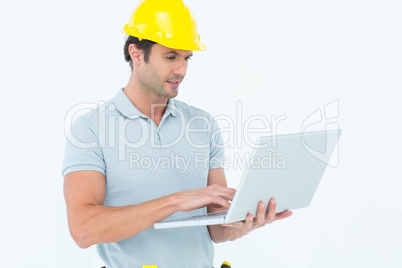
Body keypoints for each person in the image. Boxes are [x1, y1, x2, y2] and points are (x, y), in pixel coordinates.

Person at [62, 0, 292, 267]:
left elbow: (217, 229)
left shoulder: (202, 124)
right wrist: (176, 201)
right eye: (170, 57)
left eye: (186, 58)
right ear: (136, 54)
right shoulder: (91, 129)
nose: (181, 70)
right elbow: (83, 230)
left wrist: (242, 224)